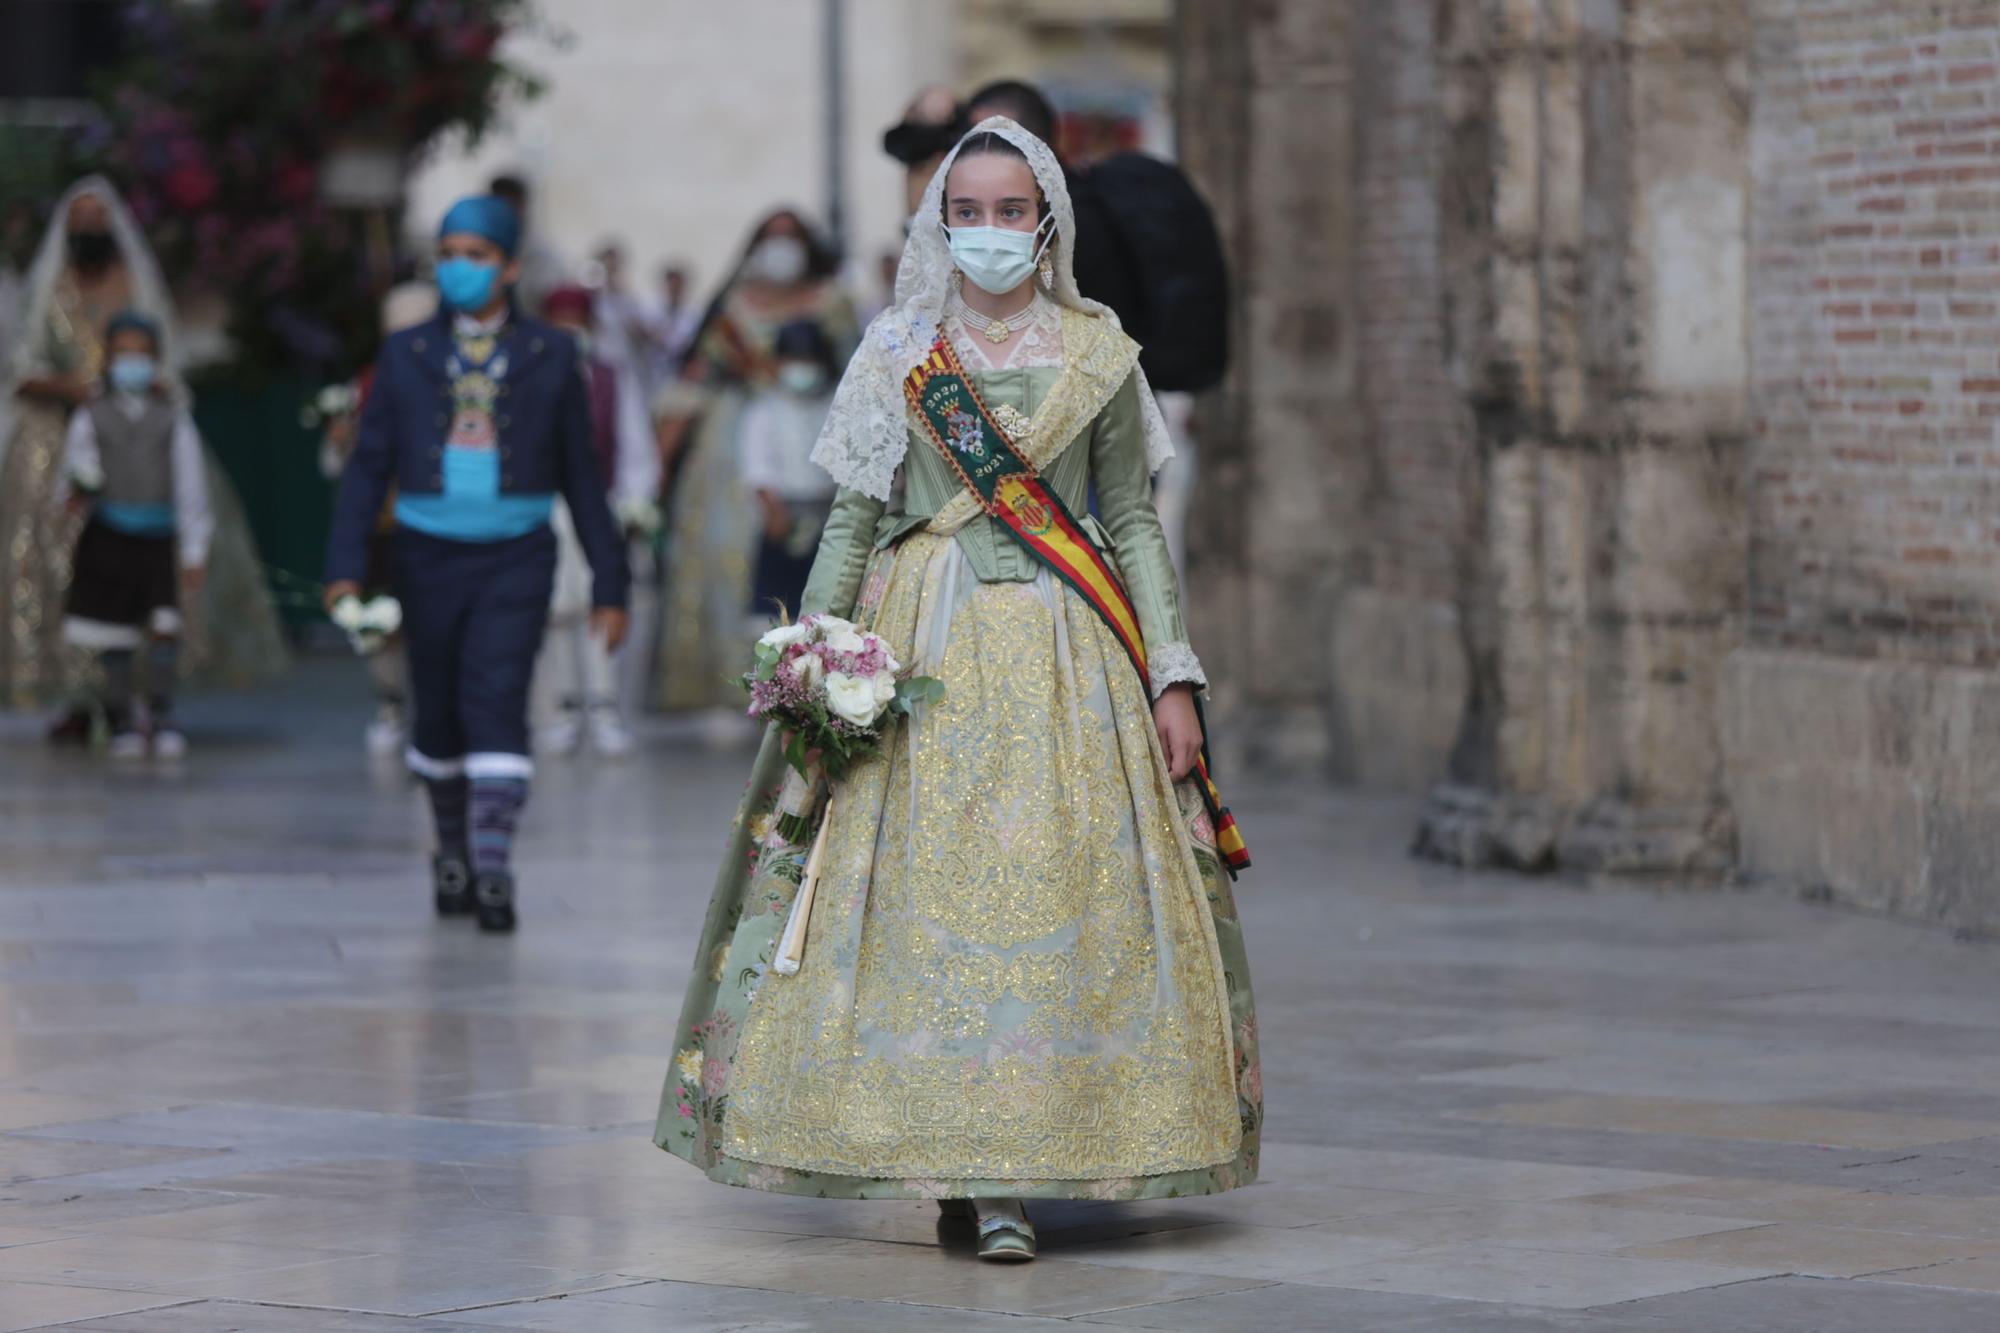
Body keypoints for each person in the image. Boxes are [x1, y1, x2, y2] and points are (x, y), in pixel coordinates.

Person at [653, 119, 1260, 1263]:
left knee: (1054, 892)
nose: (988, 232)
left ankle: (1030, 1155)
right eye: (965, 213)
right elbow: (852, 519)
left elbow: (1128, 521)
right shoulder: (895, 351)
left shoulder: (1099, 353)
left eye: (1009, 210)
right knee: (911, 902)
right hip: (916, 652)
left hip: (1067, 653)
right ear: (938, 224)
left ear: (1047, 222)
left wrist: (1172, 675)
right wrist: (816, 658)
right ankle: (947, 1154)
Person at [324, 196, 630, 934]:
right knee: (441, 703)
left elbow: (583, 476)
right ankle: (452, 849)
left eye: (477, 254)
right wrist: (345, 566)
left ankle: (493, 865)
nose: (460, 268)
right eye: (449, 254)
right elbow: (369, 466)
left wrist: (610, 585)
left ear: (510, 266)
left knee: (497, 692)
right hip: (426, 554)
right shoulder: (407, 353)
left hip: (517, 554)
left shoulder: (553, 354)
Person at [0, 176, 285, 723]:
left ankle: (147, 691)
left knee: (152, 575)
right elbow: (22, 369)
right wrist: (74, 390)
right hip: (65, 440)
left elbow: (167, 368)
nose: (89, 232)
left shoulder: (136, 289)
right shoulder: (49, 292)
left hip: (137, 449)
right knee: (67, 570)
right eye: (78, 222)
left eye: (97, 221)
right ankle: (81, 695)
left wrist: (132, 386)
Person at [650, 208, 856, 723]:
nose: (781, 248)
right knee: (725, 553)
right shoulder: (734, 306)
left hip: (814, 433)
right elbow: (696, 377)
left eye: (791, 238)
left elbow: (857, 370)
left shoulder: (833, 303)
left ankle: (815, 678)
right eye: (771, 237)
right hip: (734, 441)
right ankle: (729, 683)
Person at [56, 312, 209, 759]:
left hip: (158, 536)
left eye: (142, 354)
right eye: (123, 353)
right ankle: (121, 712)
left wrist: (195, 547)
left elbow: (190, 485)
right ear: (107, 358)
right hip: (110, 534)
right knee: (113, 630)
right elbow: (74, 468)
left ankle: (161, 707)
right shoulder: (91, 416)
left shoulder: (171, 419)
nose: (132, 363)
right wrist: (76, 488)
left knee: (163, 624)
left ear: (157, 359)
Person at [534, 284, 658, 758]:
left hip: (596, 501)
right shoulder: (533, 376)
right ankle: (563, 709)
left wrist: (635, 500)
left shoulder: (609, 377)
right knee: (555, 610)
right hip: (544, 505)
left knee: (600, 603)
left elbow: (634, 444)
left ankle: (605, 707)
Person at [319, 282, 438, 758]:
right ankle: (391, 703)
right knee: (381, 621)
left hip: (434, 521)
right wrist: (340, 439)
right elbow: (333, 466)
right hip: (383, 522)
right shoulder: (364, 386)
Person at [737, 319, 837, 623]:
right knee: (773, 621)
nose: (802, 369)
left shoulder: (835, 404)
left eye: (808, 360)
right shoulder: (764, 409)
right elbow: (758, 469)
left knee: (824, 619)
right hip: (781, 522)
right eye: (795, 360)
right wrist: (774, 513)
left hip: (829, 523)